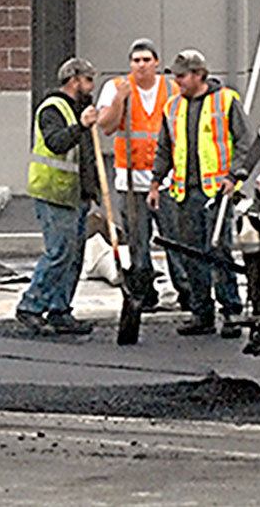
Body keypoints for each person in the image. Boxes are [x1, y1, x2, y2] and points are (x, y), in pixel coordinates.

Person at [146, 49, 251, 338]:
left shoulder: (226, 101)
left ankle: (231, 312)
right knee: (192, 254)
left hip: (217, 192)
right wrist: (155, 183)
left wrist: (235, 177)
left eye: (181, 76)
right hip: (184, 192)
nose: (177, 81)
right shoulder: (173, 107)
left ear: (199, 74)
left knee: (219, 251)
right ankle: (201, 312)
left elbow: (245, 143)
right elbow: (165, 149)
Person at [95, 38, 187, 312]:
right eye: (136, 60)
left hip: (168, 179)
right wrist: (120, 101)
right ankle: (144, 292)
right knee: (138, 241)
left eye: (146, 60)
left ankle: (187, 291)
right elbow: (107, 126)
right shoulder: (115, 88)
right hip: (131, 180)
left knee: (176, 238)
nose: (141, 65)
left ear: (156, 63)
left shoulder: (172, 88)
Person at [17, 57, 99, 336]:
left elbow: (86, 155)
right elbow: (56, 143)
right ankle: (30, 305)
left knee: (74, 257)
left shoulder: (79, 109)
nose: (92, 86)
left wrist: (93, 189)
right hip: (54, 193)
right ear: (74, 80)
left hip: (75, 194)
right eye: (88, 80)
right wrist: (82, 126)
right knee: (59, 253)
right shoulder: (52, 108)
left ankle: (60, 309)